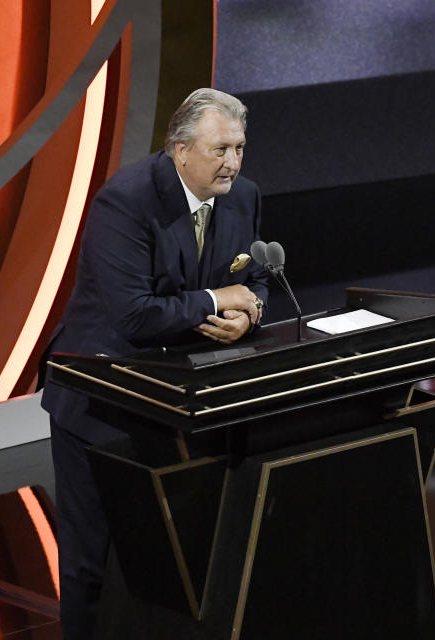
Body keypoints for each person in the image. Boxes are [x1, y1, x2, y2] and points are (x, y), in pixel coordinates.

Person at [41, 88, 269, 638]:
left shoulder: (243, 196)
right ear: (179, 150)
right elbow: (134, 317)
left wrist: (251, 314)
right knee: (90, 564)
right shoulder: (126, 202)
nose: (233, 162)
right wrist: (218, 302)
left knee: (180, 560)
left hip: (184, 401)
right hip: (102, 398)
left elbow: (256, 276)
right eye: (220, 149)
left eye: (239, 148)